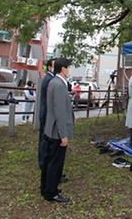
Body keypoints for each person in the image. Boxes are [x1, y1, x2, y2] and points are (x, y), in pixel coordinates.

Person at [41, 57, 74, 203]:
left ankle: (46, 188)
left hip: (50, 129)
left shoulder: (53, 82)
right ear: (63, 69)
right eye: (68, 67)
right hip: (57, 131)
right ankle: (51, 192)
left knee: (49, 161)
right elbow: (59, 112)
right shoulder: (60, 85)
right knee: (55, 162)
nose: (69, 70)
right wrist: (63, 135)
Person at [37, 59, 56, 188]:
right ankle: (44, 164)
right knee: (46, 140)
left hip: (45, 113)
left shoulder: (48, 78)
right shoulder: (49, 80)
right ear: (49, 67)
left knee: (44, 139)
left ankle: (44, 163)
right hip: (47, 114)